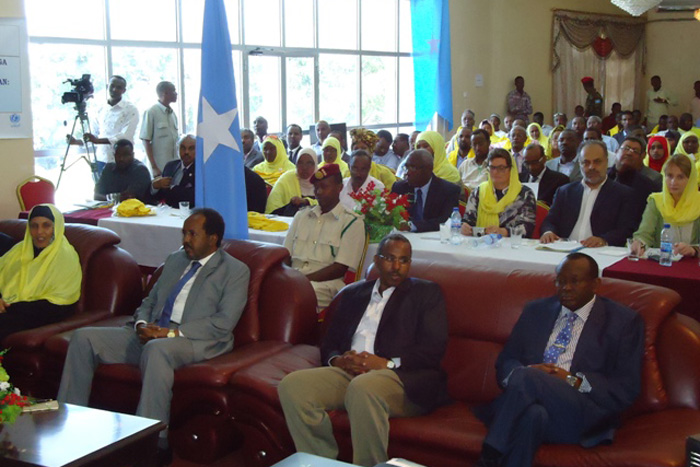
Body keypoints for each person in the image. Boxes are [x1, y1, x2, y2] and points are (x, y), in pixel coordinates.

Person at [57, 208, 249, 463]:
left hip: (195, 341)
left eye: (192, 234)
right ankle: (70, 422)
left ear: (213, 238)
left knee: (157, 350)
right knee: (83, 338)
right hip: (153, 333)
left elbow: (223, 323)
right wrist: (142, 324)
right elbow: (149, 300)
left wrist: (170, 333)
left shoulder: (235, 271)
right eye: (184, 233)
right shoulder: (175, 259)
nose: (185, 240)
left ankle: (150, 443)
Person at [278, 233, 449, 467]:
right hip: (350, 372)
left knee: (363, 388)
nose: (397, 266)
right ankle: (322, 462)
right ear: (376, 261)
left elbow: (433, 349)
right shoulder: (353, 294)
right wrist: (338, 360)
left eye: (404, 260)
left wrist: (386, 364)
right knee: (293, 386)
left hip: (400, 378)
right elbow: (329, 342)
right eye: (390, 258)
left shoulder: (426, 294)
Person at [474, 253, 644, 467]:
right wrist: (525, 373)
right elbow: (507, 360)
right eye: (560, 281)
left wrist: (571, 380)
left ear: (595, 284)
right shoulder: (536, 311)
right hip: (532, 405)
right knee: (534, 415)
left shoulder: (623, 323)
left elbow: (625, 389)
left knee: (530, 377)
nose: (566, 288)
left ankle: (490, 453)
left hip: (582, 413)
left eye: (575, 281)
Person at [283, 164, 365, 309]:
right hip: (294, 279)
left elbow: (340, 268)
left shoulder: (352, 222)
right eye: (316, 188)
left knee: (293, 296)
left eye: (324, 187)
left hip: (326, 285)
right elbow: (285, 255)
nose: (319, 192)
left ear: (340, 188)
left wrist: (302, 280)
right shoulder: (301, 216)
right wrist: (284, 277)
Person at [0, 204, 81, 343]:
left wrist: (10, 307)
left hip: (38, 316)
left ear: (56, 227)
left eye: (46, 225)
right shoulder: (19, 250)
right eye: (34, 226)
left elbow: (60, 306)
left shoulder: (65, 257)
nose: (39, 232)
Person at [540, 141, 636, 247]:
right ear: (579, 164)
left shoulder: (623, 194)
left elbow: (626, 230)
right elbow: (550, 221)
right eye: (586, 162)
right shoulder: (565, 192)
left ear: (607, 162)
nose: (591, 167)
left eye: (597, 162)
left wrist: (603, 240)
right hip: (564, 250)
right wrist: (548, 232)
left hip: (601, 252)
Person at [631, 154, 700, 258]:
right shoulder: (656, 201)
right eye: (669, 176)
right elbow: (644, 233)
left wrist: (694, 249)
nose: (673, 182)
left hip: (693, 266)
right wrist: (640, 244)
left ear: (691, 179)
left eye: (680, 177)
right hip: (662, 263)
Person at [68, 75, 139, 172]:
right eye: (112, 86)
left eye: (119, 87)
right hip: (100, 160)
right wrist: (78, 142)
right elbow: (93, 134)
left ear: (124, 90)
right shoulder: (100, 109)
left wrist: (97, 141)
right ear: (107, 86)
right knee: (100, 187)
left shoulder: (130, 109)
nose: (114, 89)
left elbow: (125, 137)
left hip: (121, 161)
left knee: (120, 187)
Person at [461, 148, 536, 238]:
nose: (496, 172)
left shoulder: (525, 194)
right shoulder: (479, 192)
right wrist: (465, 226)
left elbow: (527, 228)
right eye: (492, 168)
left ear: (510, 169)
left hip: (512, 246)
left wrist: (504, 232)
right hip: (480, 245)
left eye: (501, 168)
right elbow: (468, 219)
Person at [391, 150, 461, 233]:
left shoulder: (448, 190)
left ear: (429, 169)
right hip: (403, 238)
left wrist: (412, 226)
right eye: (406, 167)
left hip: (434, 241)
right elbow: (390, 215)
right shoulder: (399, 187)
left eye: (413, 168)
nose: (407, 172)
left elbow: (446, 221)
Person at [607, 136, 662, 225]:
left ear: (642, 157)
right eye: (626, 148)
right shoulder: (603, 176)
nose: (629, 153)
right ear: (616, 151)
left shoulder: (648, 186)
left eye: (635, 151)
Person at [140, 81, 179, 176]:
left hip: (175, 165)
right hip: (160, 167)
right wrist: (154, 167)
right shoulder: (151, 112)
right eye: (173, 91)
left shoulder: (172, 114)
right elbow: (146, 140)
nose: (176, 93)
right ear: (165, 93)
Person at [266, 148, 318, 216]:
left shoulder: (321, 179)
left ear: (316, 164)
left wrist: (306, 201)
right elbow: (272, 208)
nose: (304, 167)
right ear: (296, 165)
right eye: (300, 163)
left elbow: (329, 205)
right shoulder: (286, 179)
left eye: (309, 163)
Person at [149, 134, 195, 208]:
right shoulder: (170, 166)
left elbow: (192, 196)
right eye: (183, 148)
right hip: (167, 211)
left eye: (191, 148)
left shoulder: (200, 170)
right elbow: (160, 195)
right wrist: (155, 186)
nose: (186, 152)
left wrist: (172, 188)